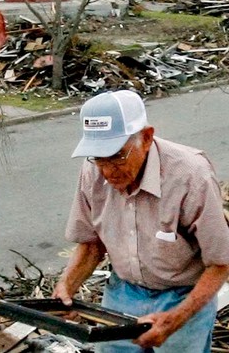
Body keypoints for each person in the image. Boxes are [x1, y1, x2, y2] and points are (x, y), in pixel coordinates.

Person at [53, 89, 229, 352]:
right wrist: (66, 288)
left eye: (116, 156)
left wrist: (177, 318)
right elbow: (92, 245)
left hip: (181, 295)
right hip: (123, 293)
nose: (107, 170)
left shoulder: (191, 175)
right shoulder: (93, 172)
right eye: (98, 158)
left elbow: (221, 262)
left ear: (146, 138)